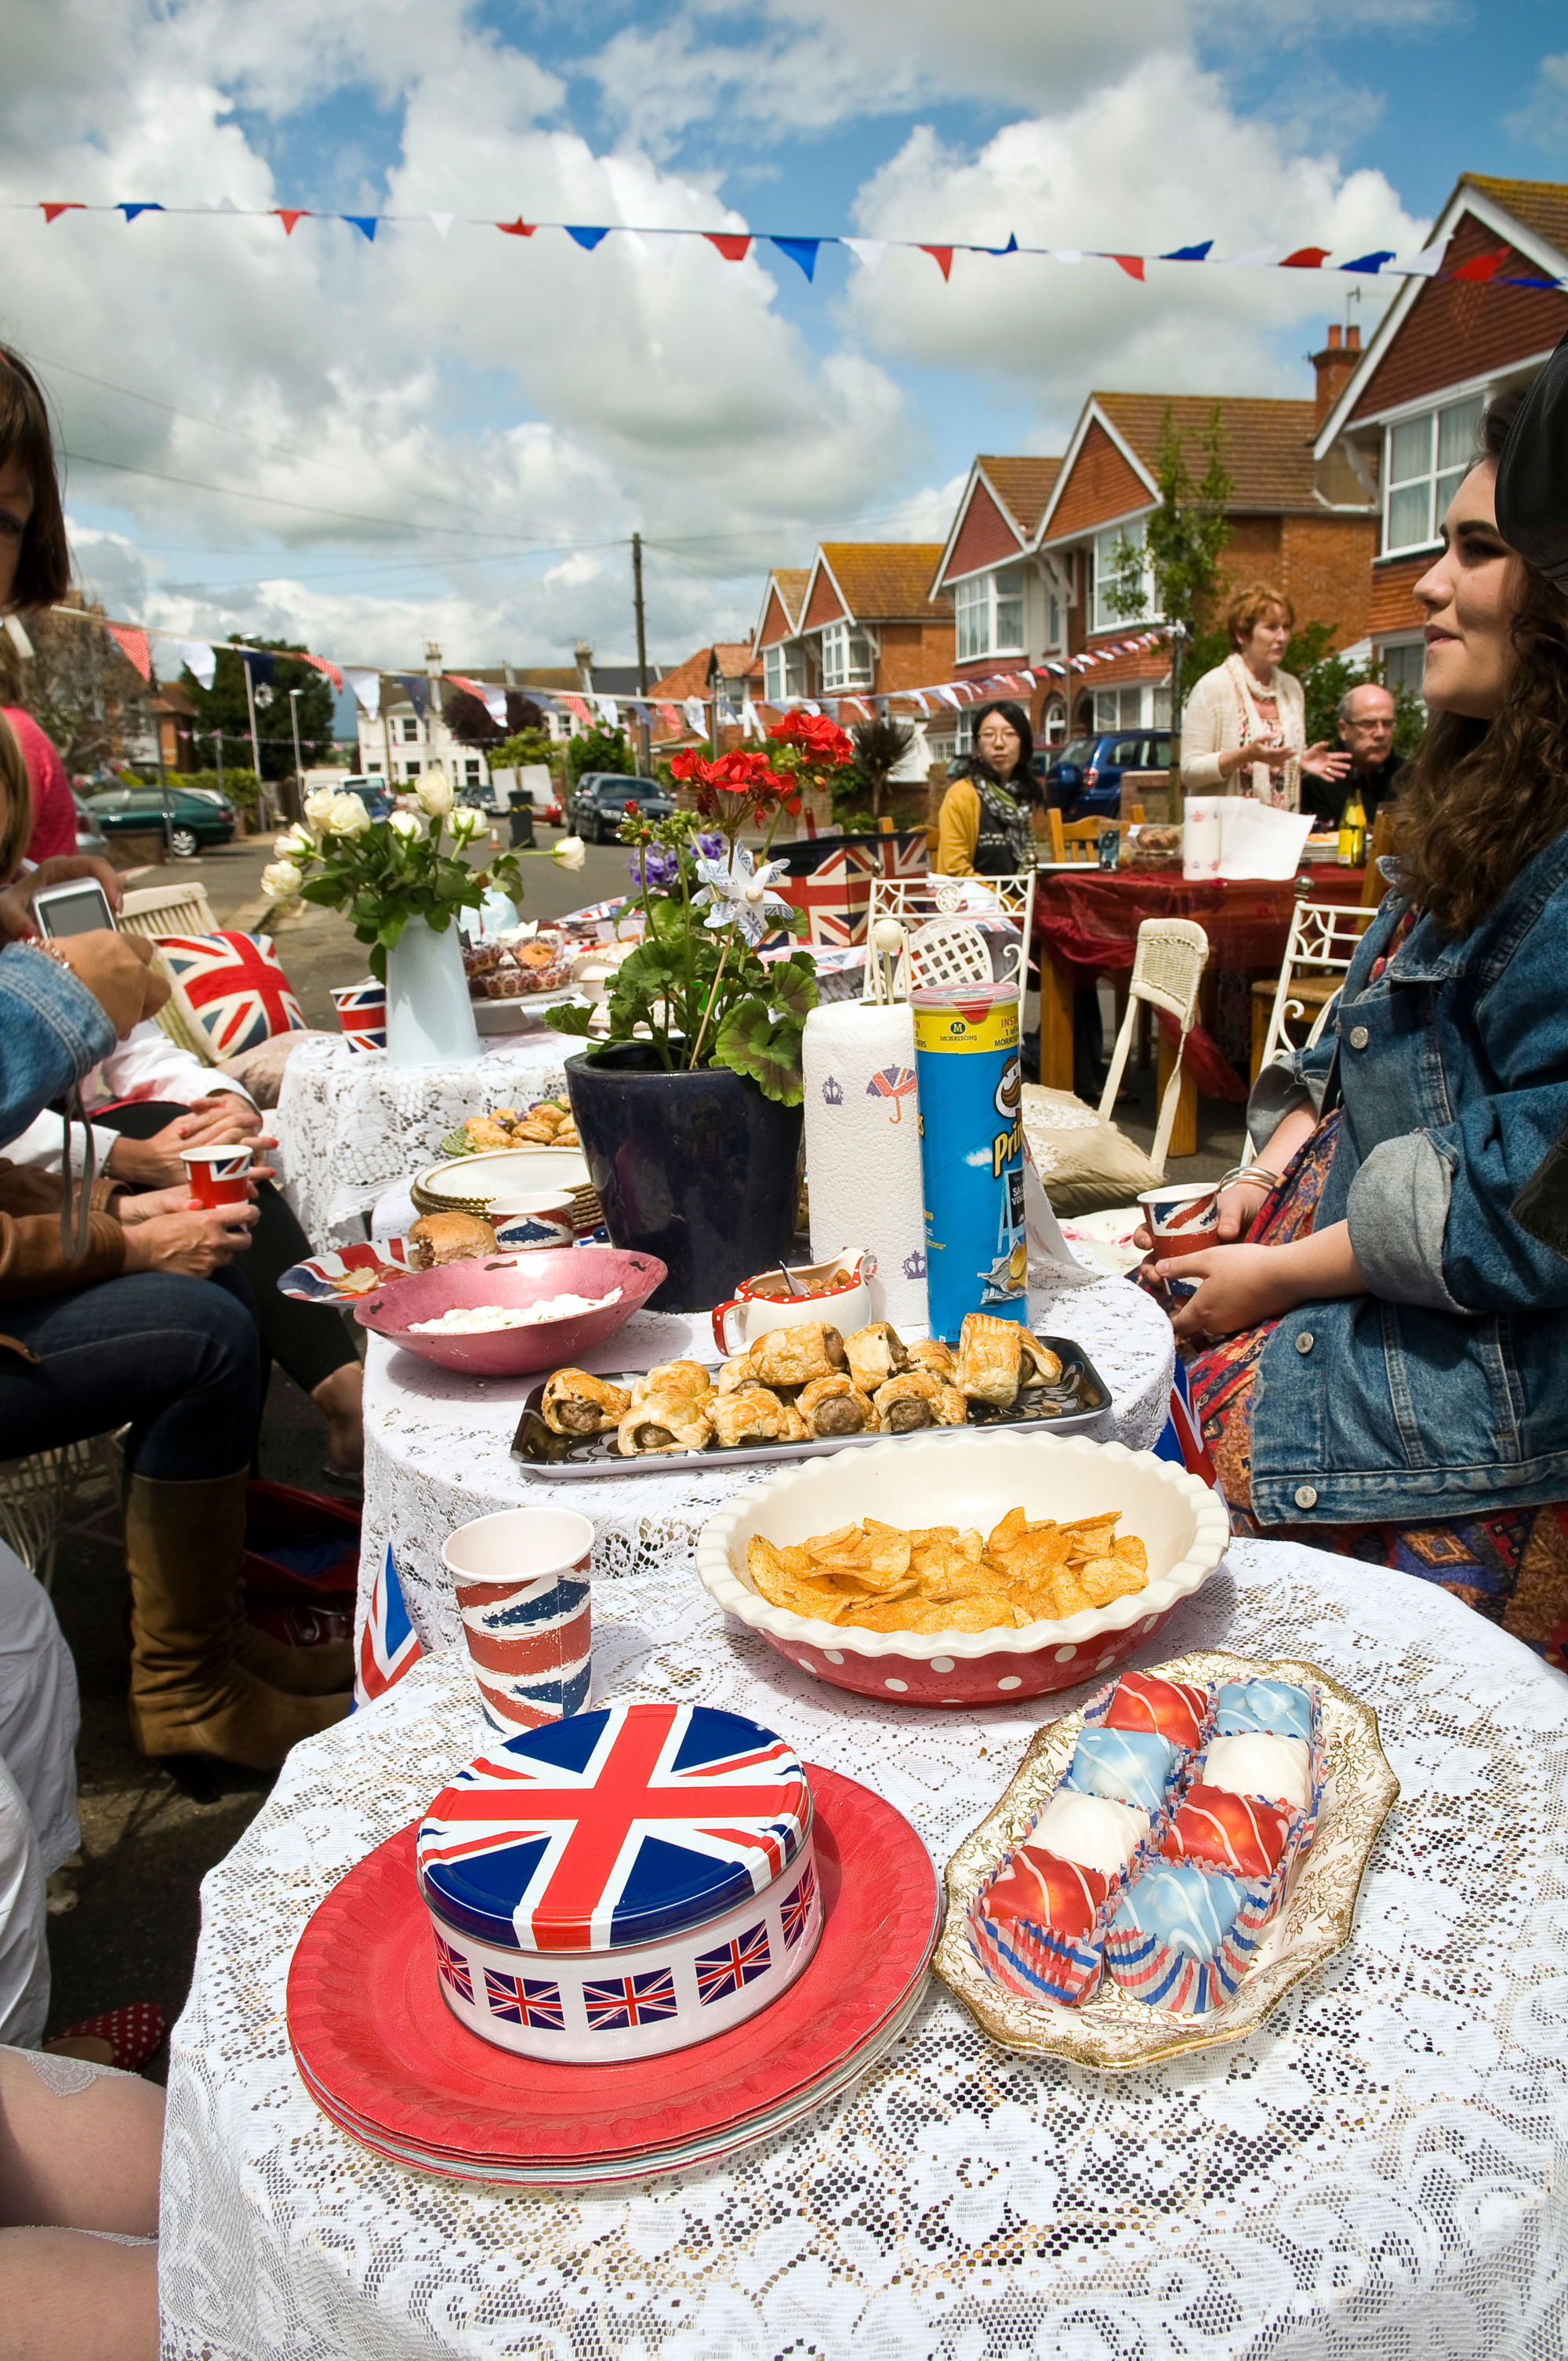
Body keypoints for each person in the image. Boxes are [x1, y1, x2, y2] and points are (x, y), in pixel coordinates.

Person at [1143, 387, 1568, 1658]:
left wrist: (1273, 1273)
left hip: (1499, 1364)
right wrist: (1255, 1178)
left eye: (1479, 551)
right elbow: (1342, 1042)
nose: (1428, 588)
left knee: (1151, 1431)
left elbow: (1541, 1189)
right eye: (1442, 544)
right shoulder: (1490, 795)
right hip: (1362, 1266)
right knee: (1100, 1355)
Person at [1181, 584, 1350, 811]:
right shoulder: (1213, 687)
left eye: (1286, 627)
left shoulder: (1291, 689)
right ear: (1242, 635)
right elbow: (1190, 772)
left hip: (1278, 829)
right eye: (1271, 628)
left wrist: (1300, 762)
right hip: (1226, 831)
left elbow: (1278, 767)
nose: (1282, 637)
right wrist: (1245, 755)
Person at [936, 700, 1044, 876]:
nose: (999, 743)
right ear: (977, 746)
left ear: (1023, 744)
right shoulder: (962, 795)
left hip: (1019, 900)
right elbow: (955, 870)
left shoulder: (1021, 799)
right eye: (988, 735)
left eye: (1009, 734)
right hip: (976, 901)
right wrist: (1008, 903)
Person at [1299, 682, 1404, 830]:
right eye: (1368, 724)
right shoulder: (1320, 780)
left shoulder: (1408, 777)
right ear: (1343, 729)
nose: (1380, 733)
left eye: (1387, 724)